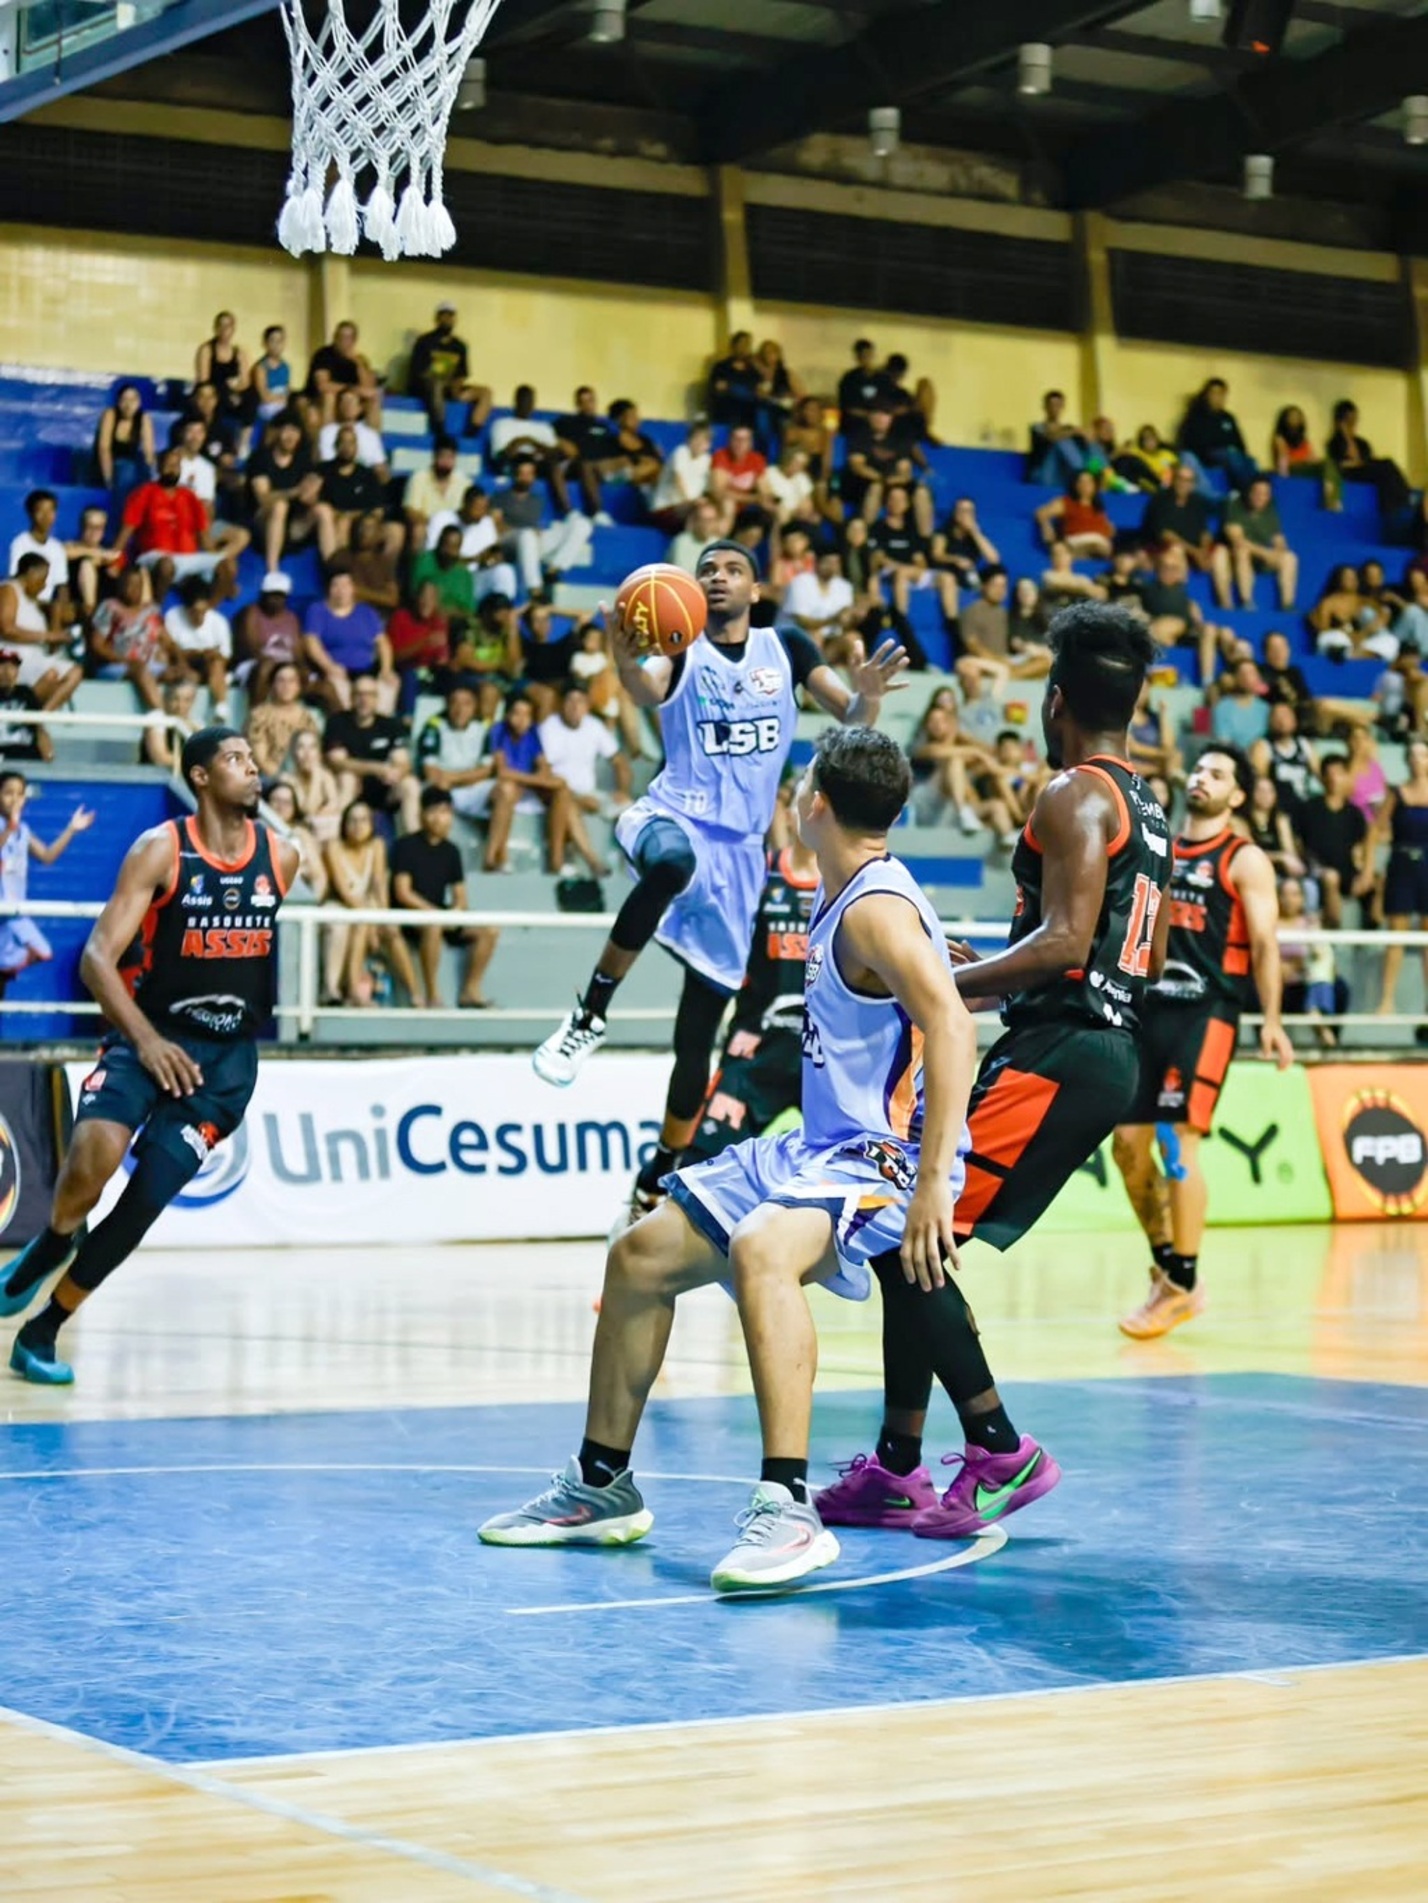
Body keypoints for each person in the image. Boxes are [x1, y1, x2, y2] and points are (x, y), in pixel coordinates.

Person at [481, 727, 979, 1593]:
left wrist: (935, 1177)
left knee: (761, 1248)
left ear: (814, 801)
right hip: (815, 1148)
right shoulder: (848, 888)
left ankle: (788, 1510)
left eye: (800, 783)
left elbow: (954, 1022)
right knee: (639, 1254)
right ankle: (602, 1485)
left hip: (880, 1158)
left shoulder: (874, 905)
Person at [814, 603, 1170, 1537]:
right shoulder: (1149, 805)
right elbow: (1104, 948)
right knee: (910, 1241)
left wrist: (943, 984)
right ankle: (895, 1466)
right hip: (1101, 1045)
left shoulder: (1072, 794)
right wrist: (969, 960)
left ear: (1056, 701)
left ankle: (998, 1445)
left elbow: (1063, 945)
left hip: (1066, 1044)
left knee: (904, 1238)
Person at [532, 539, 908, 1224]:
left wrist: (870, 697)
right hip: (672, 814)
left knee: (696, 1034)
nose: (718, 578)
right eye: (708, 571)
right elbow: (646, 688)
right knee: (671, 866)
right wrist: (622, 652)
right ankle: (588, 1015)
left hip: (739, 859)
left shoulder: (786, 646)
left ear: (756, 589)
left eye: (732, 569)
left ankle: (656, 1175)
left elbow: (850, 720)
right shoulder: (682, 644)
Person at [0, 730, 297, 1383]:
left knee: (142, 1202)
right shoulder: (160, 849)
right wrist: (148, 1040)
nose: (252, 769)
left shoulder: (283, 856)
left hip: (222, 1068)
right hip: (148, 1038)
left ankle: (42, 1332)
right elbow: (97, 958)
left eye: (253, 759)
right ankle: (51, 1240)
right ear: (198, 775)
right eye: (235, 760)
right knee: (90, 1166)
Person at [1113, 746, 1293, 1339]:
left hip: (1207, 1016)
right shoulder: (1160, 847)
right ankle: (1168, 1266)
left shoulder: (1244, 860)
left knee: (1174, 1141)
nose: (1201, 777)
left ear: (1237, 796)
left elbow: (1265, 944)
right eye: (1198, 768)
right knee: (1128, 1151)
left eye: (1217, 774)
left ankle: (1184, 1283)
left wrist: (1272, 1018)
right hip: (1149, 1012)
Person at [682, 833, 818, 1167]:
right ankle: (649, 1202)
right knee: (699, 1166)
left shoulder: (852, 885)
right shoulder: (758, 874)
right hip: (757, 1047)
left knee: (867, 1171)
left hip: (824, 1057)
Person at [391, 785, 499, 1009]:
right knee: (433, 926)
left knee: (489, 930)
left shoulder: (452, 851)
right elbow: (403, 892)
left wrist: (456, 912)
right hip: (413, 917)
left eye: (446, 812)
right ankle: (432, 994)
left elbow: (460, 896)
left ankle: (471, 990)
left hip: (441, 914)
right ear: (422, 814)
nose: (441, 819)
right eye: (435, 812)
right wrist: (436, 914)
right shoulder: (405, 846)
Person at [322, 797, 420, 1006]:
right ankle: (354, 991)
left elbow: (378, 883)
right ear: (344, 824)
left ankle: (415, 994)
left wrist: (383, 918)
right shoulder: (333, 846)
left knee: (392, 933)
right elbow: (342, 889)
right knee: (362, 923)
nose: (358, 826)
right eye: (353, 820)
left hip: (367, 906)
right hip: (340, 904)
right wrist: (371, 918)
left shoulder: (377, 846)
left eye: (364, 820)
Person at [0, 773, 95, 980]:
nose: (15, 799)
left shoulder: (23, 831)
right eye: (8, 793)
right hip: (2, 909)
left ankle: (8, 968)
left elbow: (47, 856)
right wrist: (10, 827)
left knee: (43, 950)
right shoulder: (5, 827)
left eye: (20, 794)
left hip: (14, 911)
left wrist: (71, 829)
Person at [324, 674, 420, 834]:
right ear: (351, 697)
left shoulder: (390, 725)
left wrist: (397, 772)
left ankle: (414, 843)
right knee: (347, 778)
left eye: (369, 694)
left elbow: (403, 761)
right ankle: (333, 837)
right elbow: (338, 762)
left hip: (384, 789)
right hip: (352, 788)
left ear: (377, 699)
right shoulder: (337, 722)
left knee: (410, 785)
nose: (364, 700)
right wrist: (378, 768)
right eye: (359, 694)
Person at [1375, 738, 1428, 1016]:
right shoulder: (1397, 793)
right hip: (1402, 862)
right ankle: (1386, 1000)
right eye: (1415, 755)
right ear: (1407, 760)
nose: (1419, 761)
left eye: (1424, 755)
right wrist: (1369, 864)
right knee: (1397, 932)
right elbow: (1378, 829)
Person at [1297, 754, 1372, 929]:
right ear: (1322, 778)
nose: (1333, 779)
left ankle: (1372, 933)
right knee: (1331, 878)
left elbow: (1363, 845)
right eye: (1328, 774)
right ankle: (1334, 930)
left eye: (1338, 773)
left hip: (1348, 871)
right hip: (1317, 870)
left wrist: (1365, 873)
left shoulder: (1354, 813)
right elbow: (1298, 842)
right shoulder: (1308, 808)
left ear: (1346, 776)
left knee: (1380, 882)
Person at [0, 556, 81, 709]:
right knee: (51, 674)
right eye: (43, 578)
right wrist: (49, 636)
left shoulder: (33, 604)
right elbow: (6, 628)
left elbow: (51, 648)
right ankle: (20, 712)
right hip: (13, 660)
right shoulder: (10, 589)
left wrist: (56, 617)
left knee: (74, 673)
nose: (44, 585)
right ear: (30, 573)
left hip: (37, 659)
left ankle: (37, 720)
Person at [1212, 476, 1298, 612]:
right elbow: (1237, 540)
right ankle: (1246, 601)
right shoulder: (1235, 505)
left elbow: (1279, 539)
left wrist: (1279, 551)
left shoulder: (1270, 508)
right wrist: (1265, 553)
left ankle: (1287, 604)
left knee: (1290, 558)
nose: (1260, 497)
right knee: (1242, 552)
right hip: (1237, 556)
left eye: (1265, 494)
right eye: (1257, 493)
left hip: (1259, 557)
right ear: (1249, 492)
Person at [408, 303, 490, 437]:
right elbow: (418, 372)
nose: (447, 320)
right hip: (428, 387)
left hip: (451, 388)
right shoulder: (424, 342)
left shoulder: (459, 346)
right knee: (436, 384)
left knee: (486, 392)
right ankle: (440, 429)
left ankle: (473, 431)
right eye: (444, 316)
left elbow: (463, 373)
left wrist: (455, 386)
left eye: (450, 316)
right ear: (437, 318)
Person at [163, 574, 232, 721]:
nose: (200, 617)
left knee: (216, 664)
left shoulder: (219, 621)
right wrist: (196, 654)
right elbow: (171, 651)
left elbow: (225, 656)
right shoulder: (173, 617)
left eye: (203, 612)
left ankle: (221, 706)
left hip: (211, 668)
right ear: (186, 609)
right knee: (188, 675)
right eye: (195, 612)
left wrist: (211, 654)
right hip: (183, 665)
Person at [1177, 378, 1255, 492]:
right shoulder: (1196, 416)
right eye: (1214, 393)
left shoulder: (1228, 418)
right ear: (1207, 395)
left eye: (1221, 394)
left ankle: (1256, 490)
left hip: (1230, 454)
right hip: (1207, 455)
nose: (1218, 397)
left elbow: (1240, 443)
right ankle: (1247, 492)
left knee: (1250, 461)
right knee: (1231, 456)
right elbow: (1191, 442)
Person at [246, 660, 319, 780]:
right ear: (272, 684)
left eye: (292, 681)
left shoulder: (307, 717)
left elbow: (314, 756)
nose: (286, 686)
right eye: (281, 681)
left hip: (303, 778)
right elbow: (261, 760)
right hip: (270, 778)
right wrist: (287, 780)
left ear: (299, 686)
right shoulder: (259, 716)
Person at [95, 382, 156, 507]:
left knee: (142, 473)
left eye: (133, 400)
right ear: (118, 402)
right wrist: (108, 480)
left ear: (139, 402)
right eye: (124, 400)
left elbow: (149, 452)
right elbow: (104, 449)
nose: (128, 405)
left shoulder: (144, 418)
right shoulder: (110, 415)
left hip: (132, 465)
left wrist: (153, 477)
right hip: (109, 465)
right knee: (126, 470)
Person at [1035, 471, 1113, 560]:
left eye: (1089, 482)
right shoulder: (1066, 503)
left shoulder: (1099, 507)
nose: (1085, 485)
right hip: (1076, 542)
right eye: (1081, 481)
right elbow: (1041, 513)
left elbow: (1107, 530)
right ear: (1075, 485)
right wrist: (1046, 526)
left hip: (1101, 546)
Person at [251, 324, 292, 421]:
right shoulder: (261, 367)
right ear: (265, 344)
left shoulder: (285, 366)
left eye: (279, 341)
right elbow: (264, 396)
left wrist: (285, 400)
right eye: (272, 341)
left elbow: (287, 390)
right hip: (267, 406)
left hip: (282, 403)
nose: (276, 345)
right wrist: (279, 399)